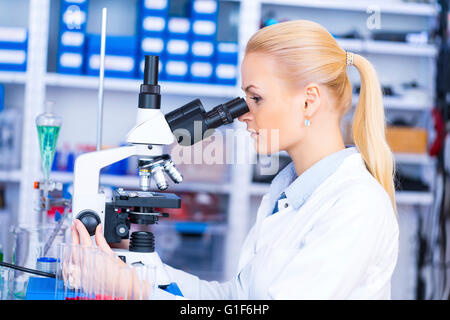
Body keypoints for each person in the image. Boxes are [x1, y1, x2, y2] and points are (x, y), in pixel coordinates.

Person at [72, 20, 399, 299]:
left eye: (255, 98)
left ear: (308, 102)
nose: (243, 115)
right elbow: (235, 298)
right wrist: (144, 273)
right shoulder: (285, 194)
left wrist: (132, 290)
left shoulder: (356, 206)